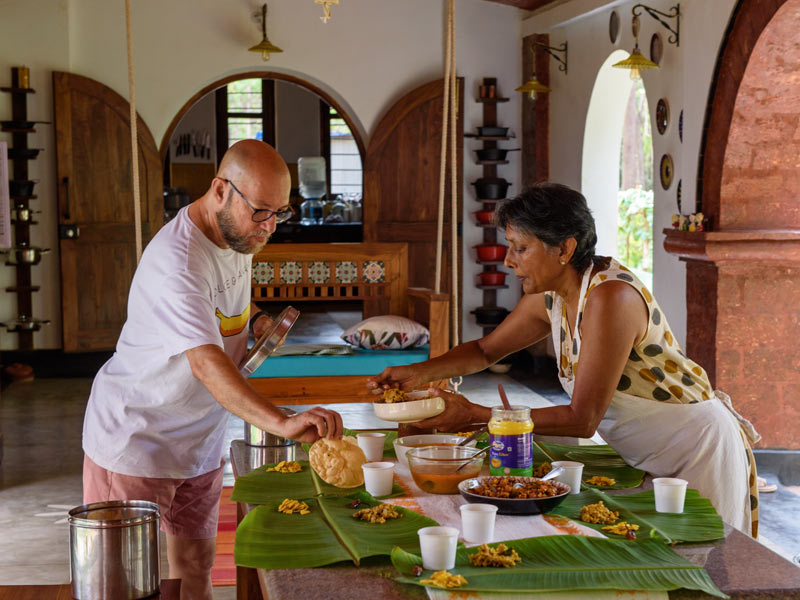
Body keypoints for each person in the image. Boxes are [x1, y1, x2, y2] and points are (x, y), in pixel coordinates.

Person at [368, 183, 760, 536]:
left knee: (703, 564)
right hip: (646, 453)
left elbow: (582, 419)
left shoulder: (610, 298)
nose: (508, 260)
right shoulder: (553, 295)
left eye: (521, 248)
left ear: (565, 249)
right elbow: (485, 351)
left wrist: (473, 413)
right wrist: (412, 375)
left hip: (696, 450)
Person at [82, 140, 343, 600]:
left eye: (279, 213)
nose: (269, 228)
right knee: (119, 585)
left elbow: (222, 300)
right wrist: (282, 422)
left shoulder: (237, 235)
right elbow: (206, 363)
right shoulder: (177, 262)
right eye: (261, 212)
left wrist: (258, 318)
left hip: (198, 437)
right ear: (220, 189)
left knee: (196, 565)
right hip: (139, 437)